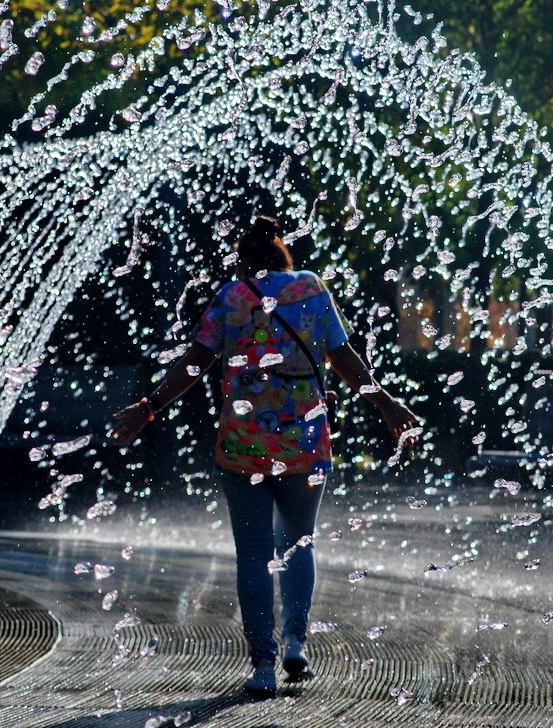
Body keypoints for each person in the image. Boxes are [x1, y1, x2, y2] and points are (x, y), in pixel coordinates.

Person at [109, 215, 419, 697]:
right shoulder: (311, 288)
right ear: (282, 254)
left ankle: (262, 666)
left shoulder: (230, 298)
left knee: (252, 554)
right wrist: (386, 403)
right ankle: (295, 640)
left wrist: (148, 408)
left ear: (243, 259)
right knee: (299, 541)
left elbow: (195, 362)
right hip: (304, 438)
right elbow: (342, 354)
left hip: (242, 441)